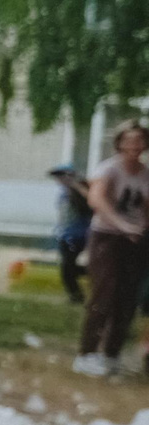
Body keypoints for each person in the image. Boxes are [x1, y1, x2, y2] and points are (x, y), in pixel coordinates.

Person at [77, 122, 149, 377]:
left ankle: (112, 354)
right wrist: (122, 225)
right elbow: (96, 199)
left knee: (127, 298)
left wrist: (139, 229)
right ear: (119, 143)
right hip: (107, 236)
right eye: (129, 140)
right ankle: (87, 353)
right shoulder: (108, 169)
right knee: (103, 295)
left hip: (135, 239)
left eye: (139, 140)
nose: (134, 146)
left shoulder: (145, 173)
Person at [49, 165, 92, 305]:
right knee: (67, 267)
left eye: (63, 176)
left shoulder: (80, 190)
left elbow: (92, 202)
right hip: (66, 234)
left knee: (68, 267)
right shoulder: (64, 192)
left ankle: (77, 296)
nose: (60, 180)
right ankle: (76, 295)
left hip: (79, 235)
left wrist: (76, 185)